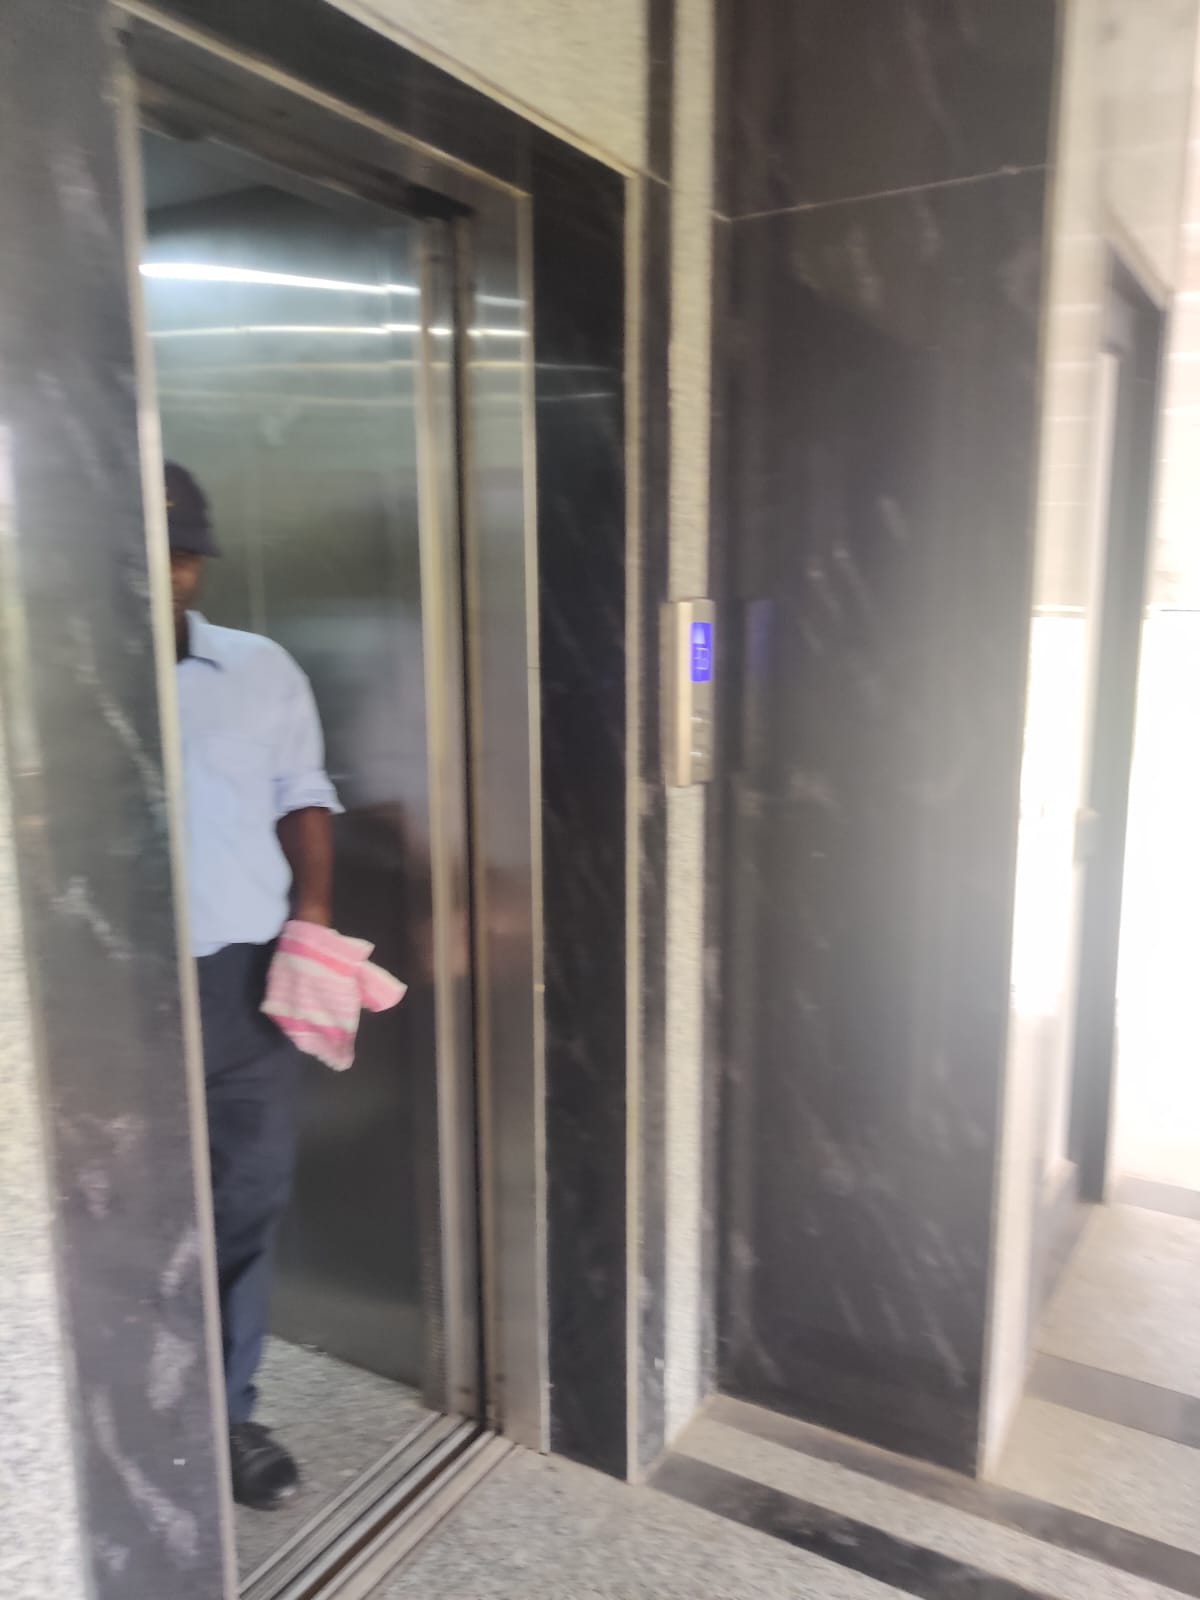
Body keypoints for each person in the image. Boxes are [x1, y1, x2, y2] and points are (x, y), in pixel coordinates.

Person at [166, 461, 341, 1511]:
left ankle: (228, 1413)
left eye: (187, 555)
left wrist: (310, 923)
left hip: (246, 978)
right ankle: (139, 1416)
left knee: (248, 1194)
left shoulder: (259, 668)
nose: (171, 573)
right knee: (123, 1210)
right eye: (153, 553)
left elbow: (302, 793)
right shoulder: (50, 678)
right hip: (110, 994)